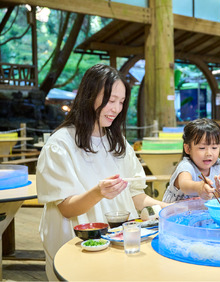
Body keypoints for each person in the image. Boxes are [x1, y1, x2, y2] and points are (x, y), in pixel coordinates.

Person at [36, 64, 168, 280]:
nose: (116, 109)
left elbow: (136, 196)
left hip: (118, 241)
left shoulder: (118, 143)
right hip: (77, 245)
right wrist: (98, 192)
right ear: (89, 96)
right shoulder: (60, 144)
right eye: (110, 100)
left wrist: (170, 209)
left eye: (121, 102)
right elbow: (67, 208)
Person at [162, 118, 220, 202]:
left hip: (198, 212)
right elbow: (184, 185)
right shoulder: (186, 166)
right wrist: (199, 187)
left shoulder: (217, 165)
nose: (209, 153)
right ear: (188, 148)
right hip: (174, 211)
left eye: (214, 147)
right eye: (202, 148)